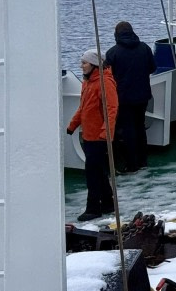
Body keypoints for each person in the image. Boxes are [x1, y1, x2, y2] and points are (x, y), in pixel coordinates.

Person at [66, 49, 119, 222]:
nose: (81, 65)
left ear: (94, 64)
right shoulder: (88, 82)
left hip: (99, 136)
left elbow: (112, 108)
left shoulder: (105, 83)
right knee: (97, 171)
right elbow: (83, 107)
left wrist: (106, 132)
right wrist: (73, 125)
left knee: (92, 173)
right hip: (89, 135)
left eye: (84, 62)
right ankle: (108, 204)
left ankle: (93, 207)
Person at [104, 21, 156, 173]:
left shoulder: (113, 52)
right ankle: (143, 161)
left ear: (116, 34)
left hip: (123, 98)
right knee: (140, 127)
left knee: (127, 131)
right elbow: (153, 67)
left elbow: (107, 76)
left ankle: (131, 164)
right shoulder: (144, 48)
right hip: (142, 96)